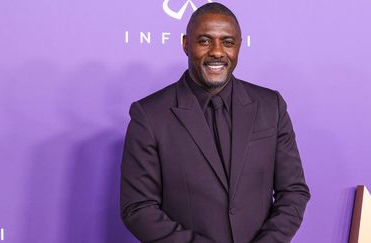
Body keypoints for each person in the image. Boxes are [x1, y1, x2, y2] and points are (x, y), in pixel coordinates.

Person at [120, 3, 310, 243]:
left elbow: (293, 191)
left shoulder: (271, 106)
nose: (217, 52)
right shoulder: (149, 115)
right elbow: (138, 208)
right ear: (186, 44)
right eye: (205, 41)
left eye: (228, 42)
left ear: (239, 46)